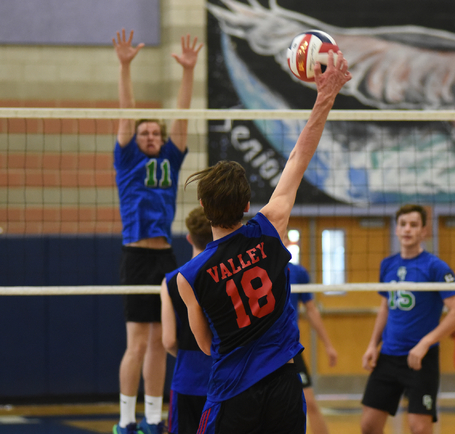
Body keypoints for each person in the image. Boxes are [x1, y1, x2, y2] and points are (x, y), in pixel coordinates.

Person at [176, 50, 351, 434]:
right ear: (247, 205)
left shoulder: (188, 276)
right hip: (284, 384)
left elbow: (205, 345)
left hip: (233, 390)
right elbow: (298, 156)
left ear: (203, 206)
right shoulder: (269, 227)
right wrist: (326, 96)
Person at [112, 29, 203, 434]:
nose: (150, 136)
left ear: (163, 140)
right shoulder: (127, 155)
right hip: (135, 255)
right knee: (136, 342)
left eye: (155, 133)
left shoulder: (171, 156)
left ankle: (152, 418)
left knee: (157, 343)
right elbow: (127, 110)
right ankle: (126, 420)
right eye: (144, 132)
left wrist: (188, 73)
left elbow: (182, 116)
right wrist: (126, 65)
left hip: (165, 256)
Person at [360, 204, 455, 434]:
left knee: (419, 428)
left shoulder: (435, 267)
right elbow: (385, 307)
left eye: (414, 225)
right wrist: (372, 344)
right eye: (403, 224)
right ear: (396, 230)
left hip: (421, 359)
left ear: (424, 232)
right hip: (388, 356)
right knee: (368, 425)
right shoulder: (387, 265)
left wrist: (424, 343)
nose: (407, 229)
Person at [161, 207, 213, 434]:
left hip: (187, 380)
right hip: (224, 378)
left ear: (189, 237)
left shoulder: (170, 281)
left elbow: (169, 341)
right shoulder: (227, 274)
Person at [287, 254, 338, 434]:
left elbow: (311, 310)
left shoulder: (298, 272)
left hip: (290, 350)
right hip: (262, 351)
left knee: (309, 402)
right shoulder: (253, 268)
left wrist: (328, 345)